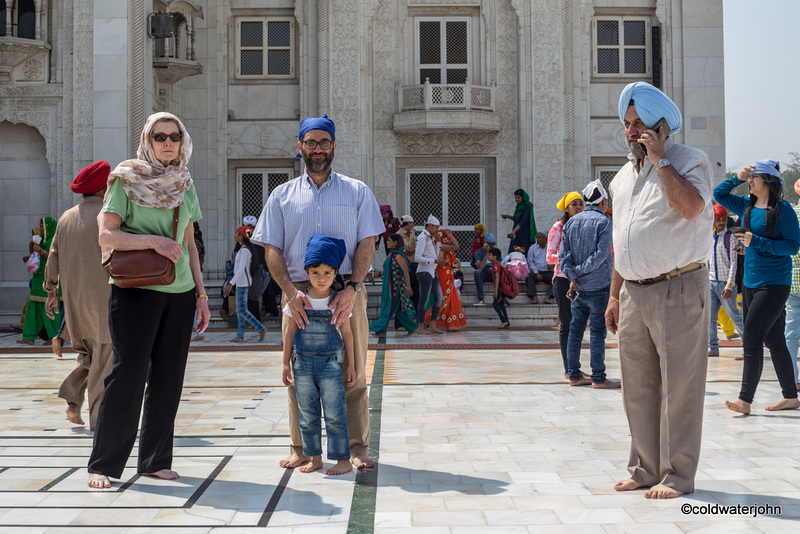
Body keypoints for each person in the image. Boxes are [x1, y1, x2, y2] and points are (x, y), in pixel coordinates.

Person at [253, 113, 384, 470]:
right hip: (297, 292)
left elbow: (367, 242)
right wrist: (289, 292)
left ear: (334, 146)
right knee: (299, 372)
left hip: (345, 290)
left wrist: (353, 287)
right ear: (300, 147)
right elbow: (272, 249)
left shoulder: (357, 192)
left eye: (324, 142)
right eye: (310, 143)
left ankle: (357, 449)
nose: (317, 149)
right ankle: (301, 448)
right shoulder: (282, 196)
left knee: (352, 370)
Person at [87, 112, 209, 488]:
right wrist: (152, 241)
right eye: (160, 137)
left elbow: (188, 244)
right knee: (128, 374)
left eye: (174, 136)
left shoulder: (184, 183)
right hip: (135, 290)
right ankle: (103, 464)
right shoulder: (126, 179)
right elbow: (106, 235)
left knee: (169, 378)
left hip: (180, 291)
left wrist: (202, 295)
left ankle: (155, 459)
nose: (168, 142)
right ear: (148, 140)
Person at [605, 81, 712, 499]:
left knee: (680, 386)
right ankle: (644, 468)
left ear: (662, 126)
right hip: (633, 291)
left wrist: (661, 161)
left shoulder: (690, 161)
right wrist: (614, 295)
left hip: (679, 286)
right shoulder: (621, 178)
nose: (632, 131)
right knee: (638, 386)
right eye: (628, 124)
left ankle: (678, 475)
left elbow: (690, 209)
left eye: (640, 124)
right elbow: (621, 239)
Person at [715, 160, 800, 414]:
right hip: (750, 283)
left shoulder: (784, 210)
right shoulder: (746, 206)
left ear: (769, 181)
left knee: (752, 338)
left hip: (774, 284)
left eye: (754, 177)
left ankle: (745, 400)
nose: (750, 180)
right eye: (749, 177)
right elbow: (718, 194)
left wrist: (757, 241)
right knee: (774, 340)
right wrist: (737, 178)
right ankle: (791, 397)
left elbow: (793, 246)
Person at [42, 161, 114, 430]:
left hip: (74, 305)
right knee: (104, 362)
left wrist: (51, 291)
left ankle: (73, 400)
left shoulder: (66, 217)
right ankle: (100, 423)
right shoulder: (109, 216)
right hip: (104, 302)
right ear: (104, 187)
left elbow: (53, 256)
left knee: (88, 356)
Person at [282, 235, 356, 475]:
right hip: (302, 364)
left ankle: (342, 459)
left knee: (335, 412)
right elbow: (289, 332)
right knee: (307, 414)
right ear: (306, 272)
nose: (321, 278)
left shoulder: (339, 302)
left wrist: (352, 366)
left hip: (331, 365)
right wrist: (285, 364)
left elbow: (347, 335)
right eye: (315, 273)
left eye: (327, 273)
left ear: (335, 274)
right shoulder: (297, 301)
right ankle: (315, 458)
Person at [559, 180, 618, 389]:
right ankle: (599, 378)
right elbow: (601, 255)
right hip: (599, 287)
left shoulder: (570, 223)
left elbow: (563, 257)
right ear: (603, 202)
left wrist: (573, 276)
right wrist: (581, 270)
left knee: (575, 331)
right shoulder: (604, 223)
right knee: (597, 332)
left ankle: (574, 374)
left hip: (577, 288)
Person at [547, 192, 585, 379]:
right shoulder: (558, 227)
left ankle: (575, 367)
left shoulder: (586, 226)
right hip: (563, 280)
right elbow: (549, 256)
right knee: (567, 325)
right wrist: (568, 261)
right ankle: (569, 369)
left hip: (581, 281)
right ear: (566, 208)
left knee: (578, 325)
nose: (578, 207)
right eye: (574, 204)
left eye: (581, 204)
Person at [17, 217, 61, 346]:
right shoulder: (42, 241)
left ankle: (54, 338)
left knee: (50, 310)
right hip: (38, 280)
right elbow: (35, 255)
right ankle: (29, 336)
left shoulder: (55, 241)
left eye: (43, 227)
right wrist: (32, 247)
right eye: (40, 226)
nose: (41, 229)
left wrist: (40, 250)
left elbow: (56, 258)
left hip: (49, 280)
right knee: (32, 310)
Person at [707, 204, 745, 357]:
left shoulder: (730, 237)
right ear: (713, 221)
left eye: (723, 219)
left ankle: (748, 347)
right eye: (718, 220)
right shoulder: (709, 237)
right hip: (711, 283)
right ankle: (713, 348)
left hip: (726, 284)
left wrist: (729, 285)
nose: (721, 222)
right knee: (710, 318)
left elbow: (734, 263)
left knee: (734, 315)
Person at [223, 226, 268, 343]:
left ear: (241, 236)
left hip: (243, 283)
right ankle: (240, 335)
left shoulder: (244, 251)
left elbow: (241, 270)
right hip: (241, 283)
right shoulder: (245, 249)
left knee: (242, 310)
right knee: (240, 310)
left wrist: (230, 284)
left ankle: (261, 328)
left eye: (237, 233)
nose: (235, 235)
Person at [370, 233, 417, 337]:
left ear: (395, 243)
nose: (387, 242)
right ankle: (412, 328)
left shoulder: (399, 256)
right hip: (389, 286)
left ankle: (381, 331)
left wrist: (408, 287)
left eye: (389, 241)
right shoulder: (391, 254)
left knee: (388, 308)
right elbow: (390, 268)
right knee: (400, 310)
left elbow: (405, 272)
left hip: (396, 288)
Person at [424, 229, 466, 332]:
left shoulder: (437, 246)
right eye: (445, 236)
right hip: (442, 274)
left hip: (445, 273)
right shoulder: (441, 246)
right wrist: (450, 235)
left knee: (446, 299)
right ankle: (426, 319)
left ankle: (446, 322)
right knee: (443, 299)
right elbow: (456, 246)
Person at [415, 215, 445, 334]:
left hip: (432, 271)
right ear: (430, 225)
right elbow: (417, 257)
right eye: (436, 227)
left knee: (439, 298)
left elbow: (435, 254)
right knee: (424, 300)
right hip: (424, 271)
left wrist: (438, 243)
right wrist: (434, 261)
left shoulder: (430, 238)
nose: (437, 230)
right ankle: (421, 327)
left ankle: (432, 324)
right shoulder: (422, 238)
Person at [396, 215, 419, 328]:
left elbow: (413, 249)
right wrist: (413, 235)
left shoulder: (409, 234)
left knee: (416, 295)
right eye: (412, 223)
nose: (413, 225)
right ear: (408, 223)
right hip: (405, 266)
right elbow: (409, 247)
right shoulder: (400, 234)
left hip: (414, 265)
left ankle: (419, 322)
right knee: (404, 295)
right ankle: (400, 324)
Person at [501, 189, 536, 254]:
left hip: (524, 234)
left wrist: (514, 231)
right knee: (513, 251)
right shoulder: (518, 206)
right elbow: (517, 219)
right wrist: (508, 216)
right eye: (515, 197)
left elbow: (523, 221)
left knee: (522, 252)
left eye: (518, 197)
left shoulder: (527, 206)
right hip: (517, 234)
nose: (516, 199)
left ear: (523, 197)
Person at [526, 232, 554, 304]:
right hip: (536, 272)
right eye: (537, 237)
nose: (538, 239)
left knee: (558, 279)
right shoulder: (532, 248)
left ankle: (548, 296)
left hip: (548, 272)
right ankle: (534, 297)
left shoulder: (551, 247)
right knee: (529, 276)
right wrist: (536, 273)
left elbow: (558, 258)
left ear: (546, 238)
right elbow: (530, 262)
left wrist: (554, 264)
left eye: (540, 237)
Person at [471, 233, 497, 305]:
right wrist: (487, 254)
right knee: (477, 272)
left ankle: (502, 296)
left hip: (494, 272)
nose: (493, 246)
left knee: (501, 272)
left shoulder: (496, 251)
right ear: (486, 244)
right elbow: (480, 268)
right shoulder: (478, 252)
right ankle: (481, 298)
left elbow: (499, 265)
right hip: (484, 273)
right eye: (491, 244)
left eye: (494, 244)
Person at [488, 247, 510, 329]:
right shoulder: (499, 265)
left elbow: (497, 277)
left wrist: (495, 291)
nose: (488, 257)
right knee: (501, 305)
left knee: (495, 304)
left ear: (495, 257)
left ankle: (504, 321)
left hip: (500, 289)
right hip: (502, 288)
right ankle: (507, 322)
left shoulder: (496, 266)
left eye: (490, 255)